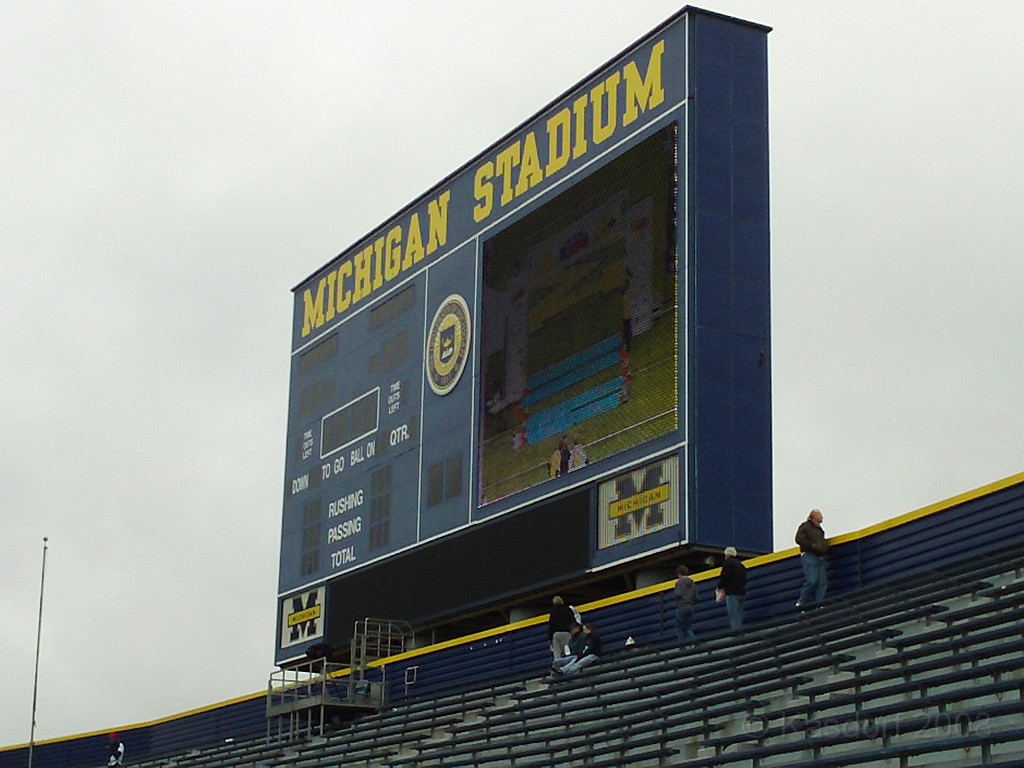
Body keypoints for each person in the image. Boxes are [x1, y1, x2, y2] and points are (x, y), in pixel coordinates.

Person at [795, 508, 829, 607]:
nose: (822, 517)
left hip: (819, 556)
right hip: (809, 555)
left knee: (822, 582)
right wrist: (812, 546)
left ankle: (819, 605)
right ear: (814, 516)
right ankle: (801, 603)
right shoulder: (805, 526)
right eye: (820, 515)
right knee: (811, 580)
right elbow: (799, 539)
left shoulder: (820, 530)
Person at [716, 546, 747, 630]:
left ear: (727, 555)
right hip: (741, 592)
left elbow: (724, 576)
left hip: (731, 592)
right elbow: (744, 579)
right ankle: (740, 632)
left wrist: (719, 587)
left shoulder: (727, 563)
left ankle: (736, 634)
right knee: (739, 615)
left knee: (733, 615)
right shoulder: (741, 565)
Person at [674, 565, 698, 645]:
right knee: (688, 627)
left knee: (680, 627)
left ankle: (682, 647)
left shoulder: (679, 582)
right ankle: (695, 642)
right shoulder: (692, 583)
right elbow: (696, 597)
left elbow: (678, 594)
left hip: (682, 606)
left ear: (679, 574)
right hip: (691, 606)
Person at [547, 596, 576, 661]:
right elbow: (572, 621)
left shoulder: (553, 612)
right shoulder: (568, 610)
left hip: (556, 634)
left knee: (557, 654)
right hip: (567, 632)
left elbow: (551, 626)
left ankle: (558, 666)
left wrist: (549, 638)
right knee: (568, 651)